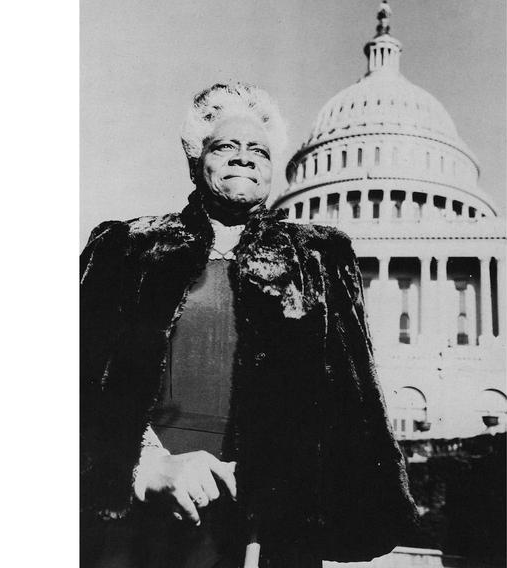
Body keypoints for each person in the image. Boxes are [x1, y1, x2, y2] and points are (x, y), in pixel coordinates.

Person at [81, 82, 418, 567]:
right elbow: (80, 378)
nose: (244, 157)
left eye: (258, 149)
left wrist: (300, 492)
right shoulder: (126, 248)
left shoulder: (320, 257)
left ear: (274, 168)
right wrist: (144, 467)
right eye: (226, 146)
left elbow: (353, 398)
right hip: (150, 508)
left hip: (272, 518)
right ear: (197, 159)